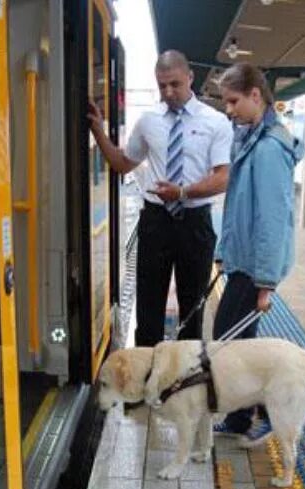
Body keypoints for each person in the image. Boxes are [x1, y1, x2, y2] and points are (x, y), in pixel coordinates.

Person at [88, 50, 233, 345]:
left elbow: (223, 177)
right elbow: (122, 163)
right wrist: (99, 131)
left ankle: (185, 380)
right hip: (155, 222)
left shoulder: (216, 122)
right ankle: (145, 376)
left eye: (175, 84)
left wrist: (182, 192)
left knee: (193, 309)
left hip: (195, 223)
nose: (168, 92)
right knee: (148, 307)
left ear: (190, 78)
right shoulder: (148, 121)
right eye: (162, 85)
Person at [213, 63, 304, 446]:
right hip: (243, 262)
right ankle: (239, 418)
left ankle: (267, 414)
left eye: (233, 101)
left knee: (231, 343)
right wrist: (223, 252)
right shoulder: (251, 139)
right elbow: (236, 206)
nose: (229, 110)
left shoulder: (267, 150)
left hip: (255, 268)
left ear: (255, 95)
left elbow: (271, 220)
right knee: (237, 343)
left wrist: (266, 283)